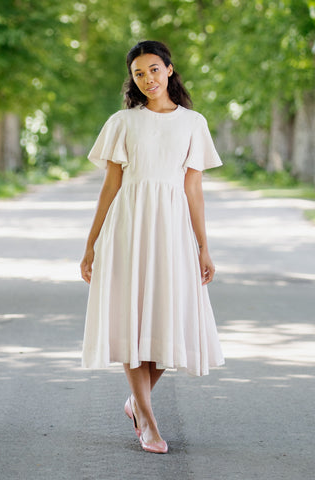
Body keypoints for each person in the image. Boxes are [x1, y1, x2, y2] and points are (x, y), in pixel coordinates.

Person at [80, 40, 224, 454]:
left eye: (154, 70)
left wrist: (203, 246)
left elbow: (193, 188)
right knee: (132, 318)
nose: (148, 79)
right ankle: (147, 419)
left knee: (166, 317)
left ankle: (135, 401)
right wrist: (91, 245)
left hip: (173, 227)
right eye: (139, 74)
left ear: (170, 70)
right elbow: (110, 185)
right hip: (128, 226)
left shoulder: (193, 122)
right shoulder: (123, 122)